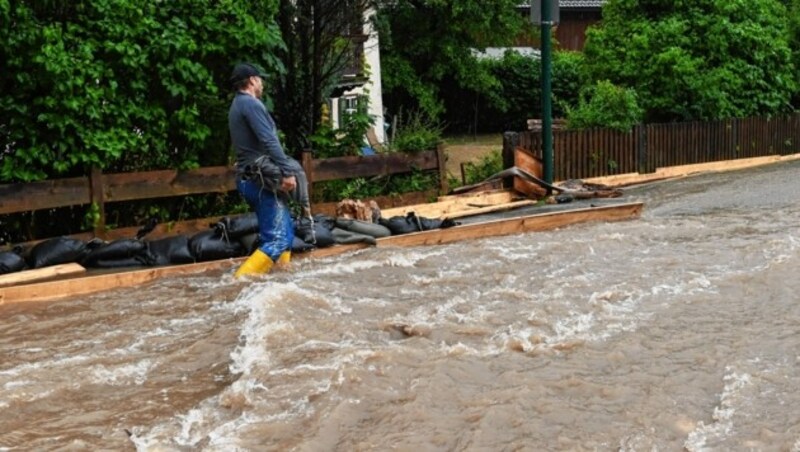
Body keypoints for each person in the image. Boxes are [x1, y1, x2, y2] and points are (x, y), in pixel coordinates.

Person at [228, 62, 302, 277]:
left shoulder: (237, 105)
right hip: (259, 181)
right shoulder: (251, 104)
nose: (262, 83)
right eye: (260, 79)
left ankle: (282, 278)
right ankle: (238, 283)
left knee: (285, 234)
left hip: (251, 178)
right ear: (252, 80)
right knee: (277, 238)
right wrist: (287, 172)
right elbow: (269, 141)